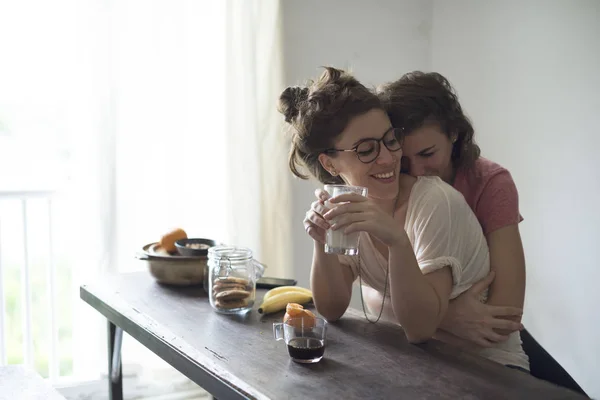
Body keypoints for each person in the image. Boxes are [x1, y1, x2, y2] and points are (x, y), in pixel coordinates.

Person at [279, 66, 529, 371]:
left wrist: (397, 240)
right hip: (421, 362)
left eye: (389, 140)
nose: (390, 159)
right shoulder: (348, 203)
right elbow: (332, 308)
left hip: (486, 369)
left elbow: (425, 326)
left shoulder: (444, 197)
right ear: (330, 163)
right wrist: (321, 241)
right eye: (367, 149)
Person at [376, 72, 527, 352]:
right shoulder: (387, 183)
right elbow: (370, 290)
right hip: (430, 339)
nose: (417, 172)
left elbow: (506, 313)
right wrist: (448, 316)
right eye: (404, 161)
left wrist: (430, 314)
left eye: (427, 154)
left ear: (454, 133)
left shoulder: (491, 184)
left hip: (484, 340)